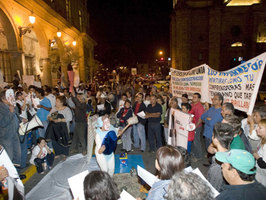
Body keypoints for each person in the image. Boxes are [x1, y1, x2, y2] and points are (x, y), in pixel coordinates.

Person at [207, 123, 235, 192]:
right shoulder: (230, 153)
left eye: (213, 135)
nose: (212, 137)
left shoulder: (218, 167)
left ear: (216, 140)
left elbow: (213, 191)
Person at [0, 90, 21, 167]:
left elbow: (16, 116)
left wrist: (21, 119)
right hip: (6, 136)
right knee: (9, 156)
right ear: (3, 99)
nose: (12, 98)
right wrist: (11, 112)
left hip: (15, 133)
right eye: (9, 97)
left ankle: (16, 173)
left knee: (17, 155)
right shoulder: (1, 108)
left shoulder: (11, 105)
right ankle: (9, 176)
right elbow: (2, 122)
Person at [70, 90, 87, 155]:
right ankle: (75, 148)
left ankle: (84, 149)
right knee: (75, 136)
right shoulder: (79, 104)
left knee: (81, 137)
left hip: (82, 123)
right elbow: (75, 101)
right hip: (77, 122)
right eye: (78, 97)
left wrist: (74, 97)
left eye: (79, 97)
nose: (78, 98)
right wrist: (72, 95)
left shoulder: (83, 104)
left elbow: (77, 103)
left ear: (83, 98)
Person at [190, 93, 205, 160]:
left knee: (196, 141)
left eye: (195, 97)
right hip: (192, 125)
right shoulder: (192, 105)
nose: (193, 98)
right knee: (192, 140)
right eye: (193, 97)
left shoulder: (200, 107)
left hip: (197, 126)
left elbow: (201, 118)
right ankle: (193, 153)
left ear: (199, 99)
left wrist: (196, 126)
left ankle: (199, 156)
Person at [253, 118, 266, 186]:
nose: (256, 129)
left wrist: (256, 156)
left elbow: (264, 165)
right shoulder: (263, 139)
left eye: (260, 128)